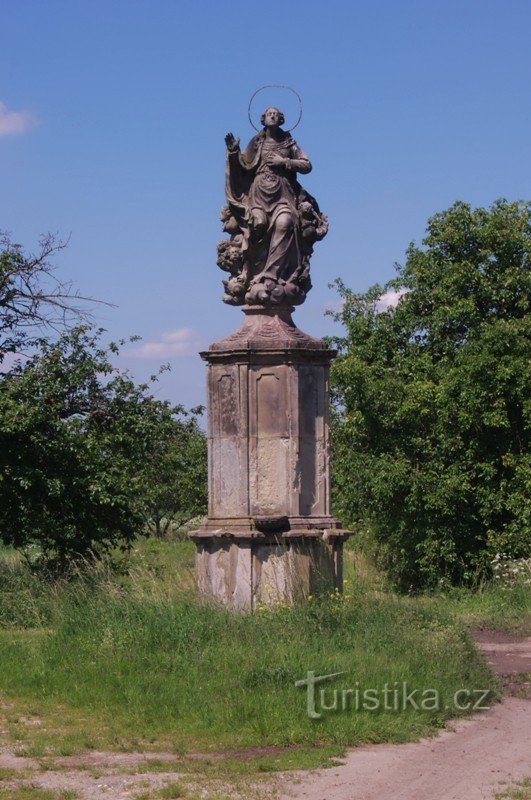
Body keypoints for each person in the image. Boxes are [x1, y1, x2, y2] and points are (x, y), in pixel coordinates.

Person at [221, 107, 325, 306]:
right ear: (262, 119)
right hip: (258, 194)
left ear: (281, 119)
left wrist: (284, 161)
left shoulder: (289, 142)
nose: (272, 116)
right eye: (269, 113)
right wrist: (233, 151)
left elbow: (307, 165)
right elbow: (242, 166)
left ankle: (272, 276)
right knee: (256, 225)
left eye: (276, 114)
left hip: (283, 193)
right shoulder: (256, 142)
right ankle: (250, 275)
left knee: (285, 223)